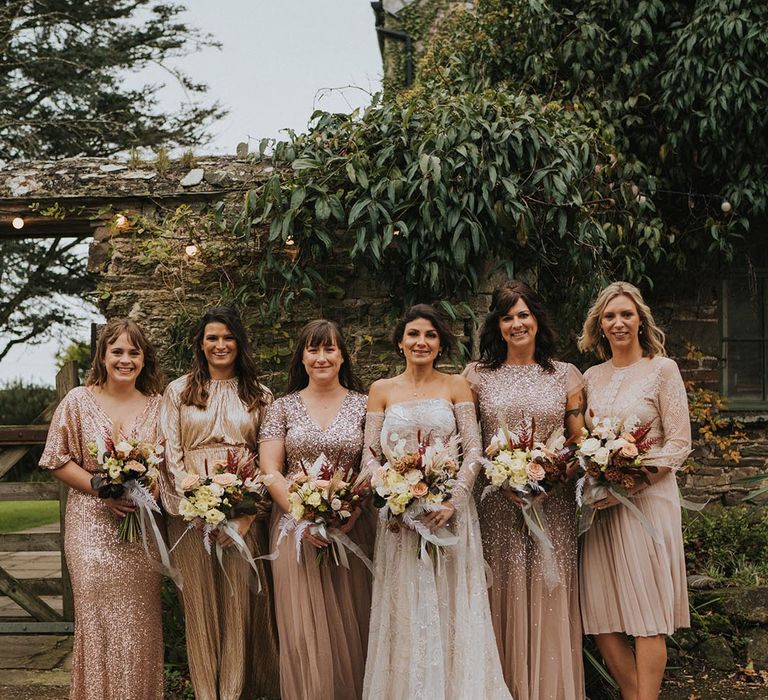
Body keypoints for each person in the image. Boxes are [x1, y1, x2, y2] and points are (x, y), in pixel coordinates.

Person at [362, 304, 511, 700]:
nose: (421, 341)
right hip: (398, 521)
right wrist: (391, 496)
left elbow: (475, 449)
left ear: (441, 344)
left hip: (449, 515)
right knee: (405, 604)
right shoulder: (381, 390)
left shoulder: (455, 387)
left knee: (452, 603)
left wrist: (455, 501)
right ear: (400, 342)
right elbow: (368, 455)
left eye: (430, 335)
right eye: (413, 334)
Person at [463, 280, 586, 699]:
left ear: (537, 320)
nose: (516, 324)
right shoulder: (476, 375)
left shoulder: (566, 374)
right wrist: (499, 479)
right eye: (507, 317)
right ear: (496, 326)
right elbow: (467, 441)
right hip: (495, 502)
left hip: (553, 503)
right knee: (501, 586)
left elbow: (576, 438)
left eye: (523, 315)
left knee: (550, 588)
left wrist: (554, 476)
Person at [39, 319, 166, 699]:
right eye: (117, 352)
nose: (125, 360)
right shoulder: (78, 400)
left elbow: (169, 465)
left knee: (140, 620)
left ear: (144, 359)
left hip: (141, 527)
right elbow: (56, 458)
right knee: (97, 621)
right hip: (90, 527)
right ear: (103, 355)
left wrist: (147, 486)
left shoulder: (160, 407)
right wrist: (101, 487)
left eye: (134, 352)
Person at [577, 281, 691, 700]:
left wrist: (633, 479)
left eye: (626, 314)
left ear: (640, 320)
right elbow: (582, 438)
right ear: (599, 325)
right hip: (602, 507)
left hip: (647, 504)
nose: (618, 322)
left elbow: (679, 443)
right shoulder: (592, 376)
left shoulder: (663, 369)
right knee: (601, 615)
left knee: (647, 614)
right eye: (610, 316)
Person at [159, 306, 279, 700]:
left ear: (239, 343)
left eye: (228, 337)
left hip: (244, 511)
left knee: (239, 601)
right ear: (200, 344)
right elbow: (170, 455)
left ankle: (237, 690)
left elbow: (269, 459)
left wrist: (247, 513)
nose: (220, 345)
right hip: (190, 515)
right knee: (200, 607)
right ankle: (208, 693)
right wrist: (191, 506)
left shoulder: (259, 394)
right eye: (212, 337)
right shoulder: (178, 391)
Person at [259, 319, 375, 700]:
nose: (321, 357)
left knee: (353, 619)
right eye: (313, 349)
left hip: (353, 526)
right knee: (302, 627)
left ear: (343, 356)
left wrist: (350, 512)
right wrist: (301, 515)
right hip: (294, 528)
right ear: (302, 357)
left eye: (329, 349)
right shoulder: (282, 407)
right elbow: (270, 470)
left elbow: (372, 463)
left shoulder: (364, 405)